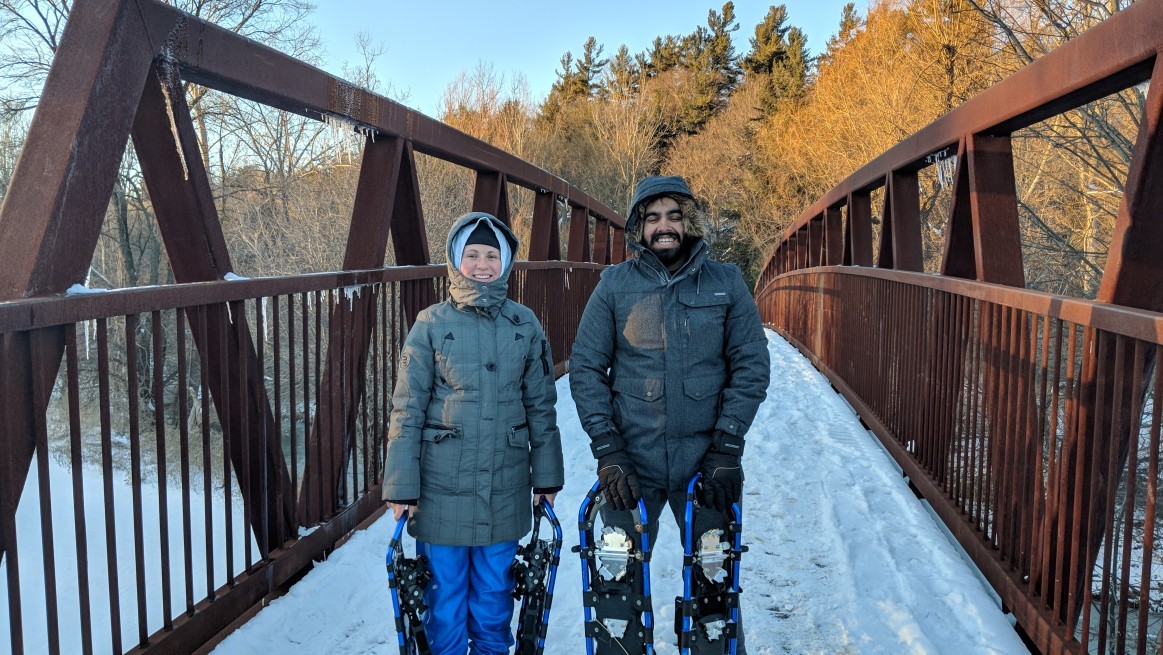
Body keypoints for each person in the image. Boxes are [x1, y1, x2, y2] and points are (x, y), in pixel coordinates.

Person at [569, 175, 770, 654]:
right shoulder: (614, 286)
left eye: (675, 216)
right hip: (630, 465)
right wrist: (607, 449)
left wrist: (728, 447)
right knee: (616, 587)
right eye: (653, 217)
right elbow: (586, 367)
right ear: (639, 227)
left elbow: (751, 365)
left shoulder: (726, 283)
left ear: (690, 223)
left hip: (707, 466)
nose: (664, 226)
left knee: (715, 588)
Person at [382, 212, 564, 655]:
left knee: (494, 600)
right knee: (442, 601)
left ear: (506, 262)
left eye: (492, 256)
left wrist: (547, 478)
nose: (482, 265)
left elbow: (541, 406)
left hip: (505, 485)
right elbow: (407, 408)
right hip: (440, 487)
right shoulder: (430, 323)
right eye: (473, 254)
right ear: (454, 259)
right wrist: (401, 486)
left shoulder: (525, 324)